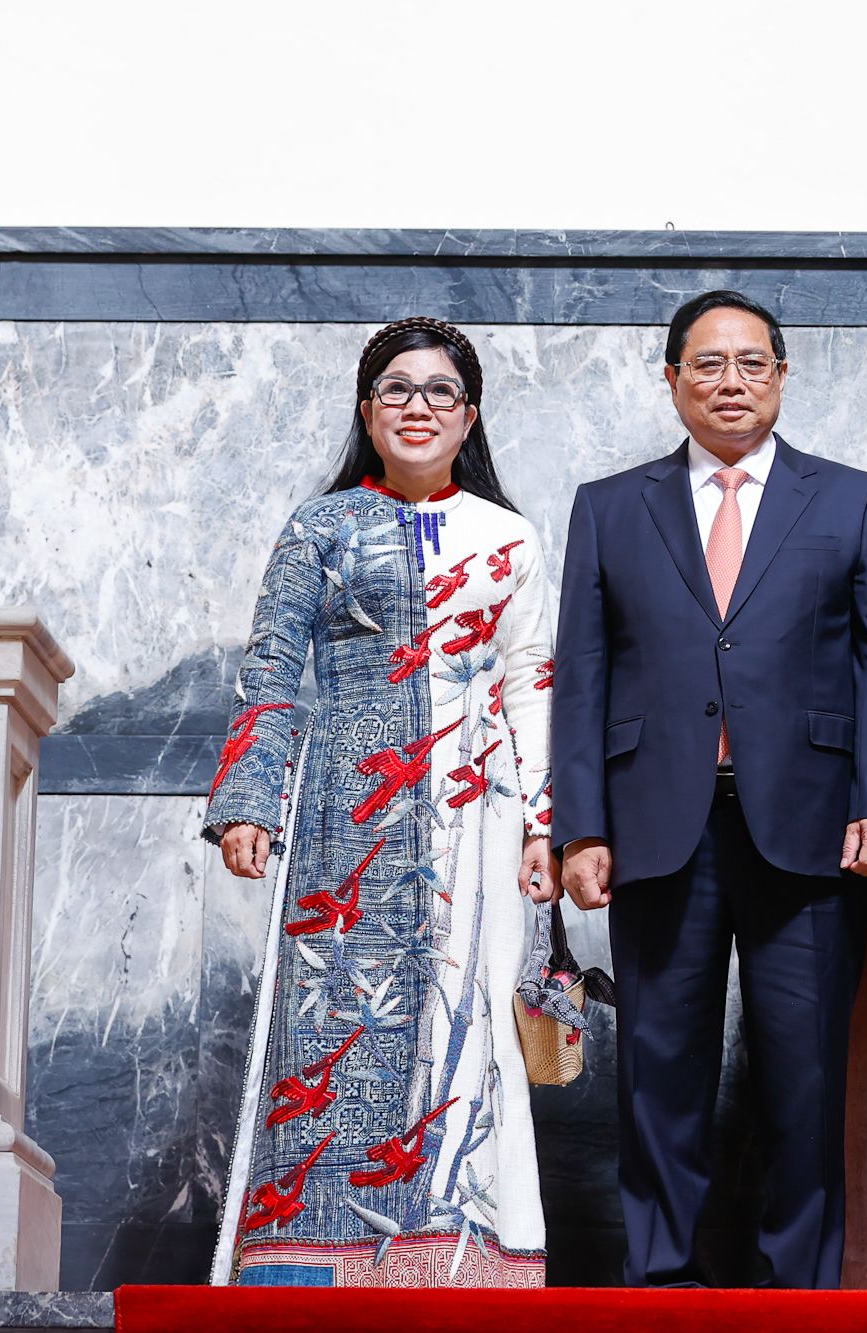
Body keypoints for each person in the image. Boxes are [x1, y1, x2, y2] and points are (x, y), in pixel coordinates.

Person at [552, 290, 867, 1288]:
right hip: (656, 826)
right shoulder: (608, 508)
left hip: (813, 829)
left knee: (805, 1077)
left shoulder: (850, 501)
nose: (730, 382)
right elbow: (582, 677)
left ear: (782, 377)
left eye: (752, 363)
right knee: (657, 1075)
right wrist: (580, 826)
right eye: (706, 365)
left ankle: (800, 1294)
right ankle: (661, 1285)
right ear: (671, 380)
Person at [204, 317, 557, 1287]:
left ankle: (456, 1265)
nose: (417, 406)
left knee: (470, 1024)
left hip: (477, 819)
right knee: (330, 1022)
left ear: (469, 417)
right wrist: (251, 801)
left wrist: (545, 823)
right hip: (344, 813)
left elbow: (532, 681)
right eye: (396, 389)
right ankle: (313, 1266)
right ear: (367, 413)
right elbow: (272, 667)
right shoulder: (318, 529)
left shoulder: (509, 537)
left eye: (440, 391)